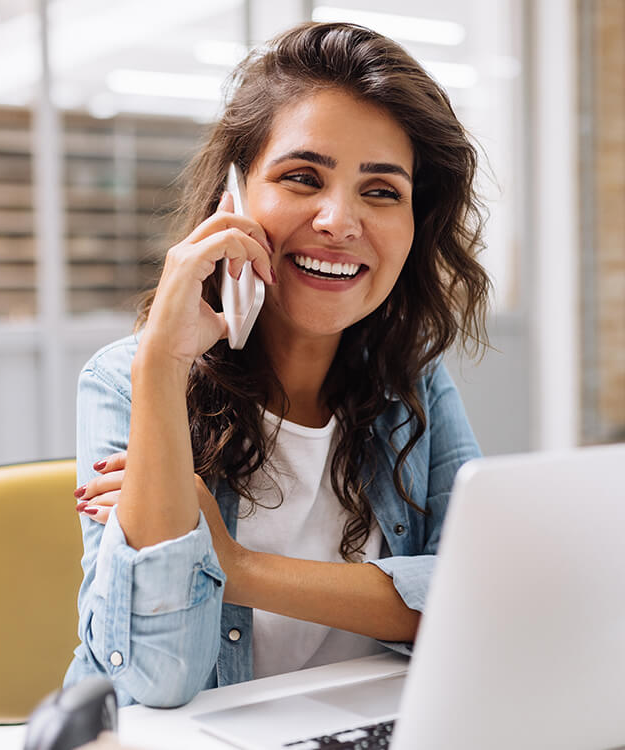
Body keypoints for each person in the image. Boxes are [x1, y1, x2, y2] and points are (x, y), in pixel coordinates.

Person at [63, 21, 491, 708]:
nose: (338, 220)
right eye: (302, 177)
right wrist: (161, 366)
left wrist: (235, 567)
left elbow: (475, 601)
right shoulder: (128, 379)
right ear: (231, 200)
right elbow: (154, 677)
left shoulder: (410, 381)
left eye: (381, 191)